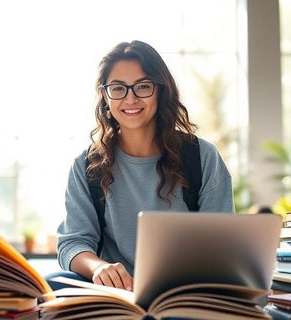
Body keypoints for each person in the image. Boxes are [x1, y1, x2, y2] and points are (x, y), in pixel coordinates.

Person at [48, 40, 235, 292]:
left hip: (184, 291)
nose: (131, 98)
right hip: (117, 293)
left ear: (161, 90)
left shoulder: (201, 156)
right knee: (53, 282)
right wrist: (99, 268)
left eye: (143, 86)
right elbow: (73, 244)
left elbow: (223, 242)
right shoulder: (87, 166)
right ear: (106, 95)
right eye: (118, 88)